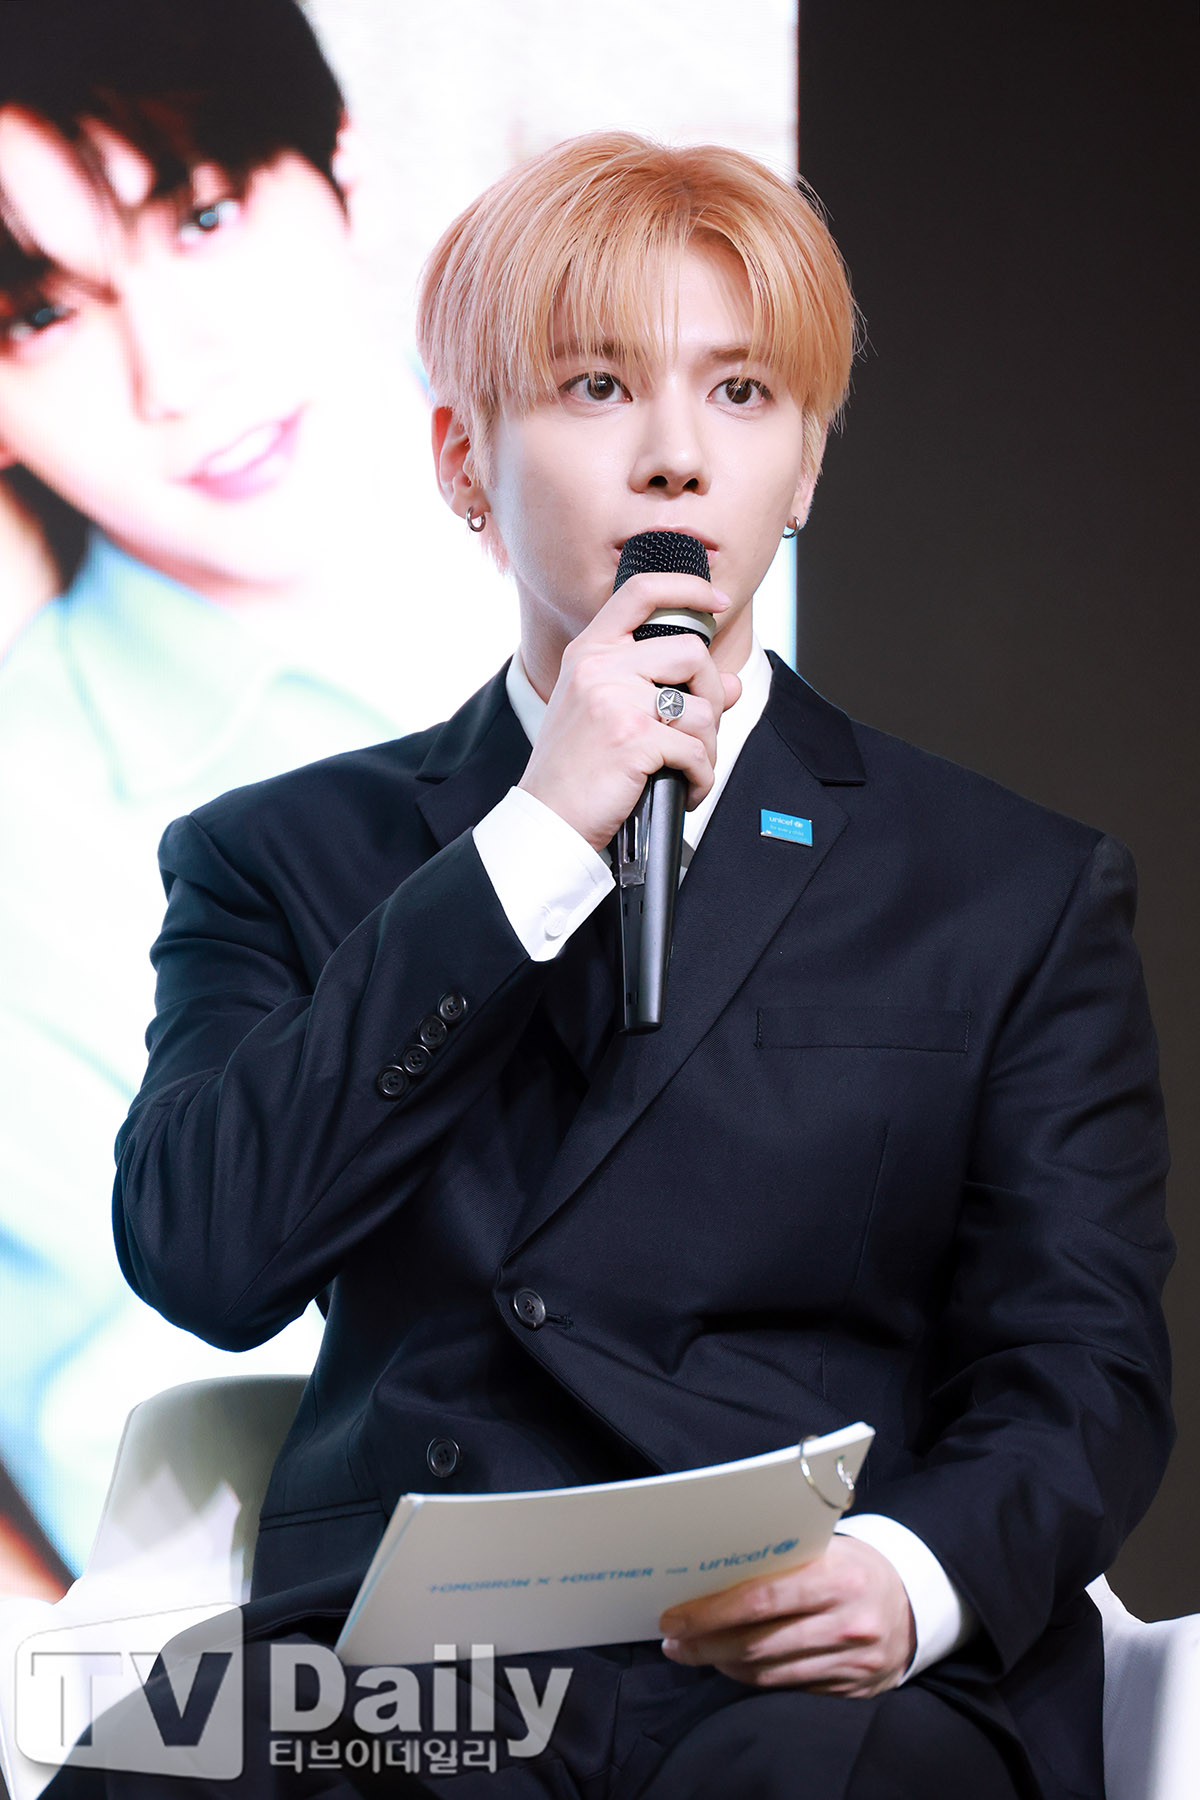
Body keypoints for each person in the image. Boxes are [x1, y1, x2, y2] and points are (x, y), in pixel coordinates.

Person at [73, 133, 1170, 1797]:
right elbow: (206, 1257)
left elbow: (1082, 1360)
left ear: (805, 466)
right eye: (597, 388)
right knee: (160, 1765)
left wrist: (909, 1577)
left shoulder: (1004, 888)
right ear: (463, 459)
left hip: (804, 1663)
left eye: (742, 394)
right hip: (411, 1676)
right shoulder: (276, 856)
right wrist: (531, 840)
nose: (675, 459)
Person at [0, 0, 503, 1580]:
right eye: (44, 313)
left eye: (202, 216)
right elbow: (154, 1475)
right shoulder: (28, 846)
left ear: (340, 164)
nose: (175, 373)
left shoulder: (741, 539)